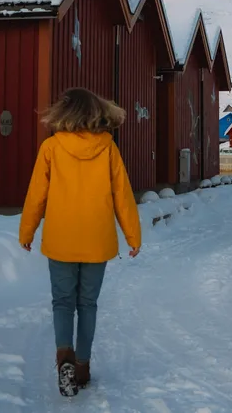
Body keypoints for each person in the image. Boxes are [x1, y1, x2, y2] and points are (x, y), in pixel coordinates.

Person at [19, 87, 142, 397]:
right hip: (97, 240)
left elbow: (37, 195)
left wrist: (27, 231)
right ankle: (82, 367)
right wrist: (133, 235)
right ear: (96, 112)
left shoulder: (51, 147)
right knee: (87, 304)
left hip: (61, 238)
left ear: (63, 113)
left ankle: (65, 358)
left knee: (63, 302)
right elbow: (122, 195)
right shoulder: (108, 148)